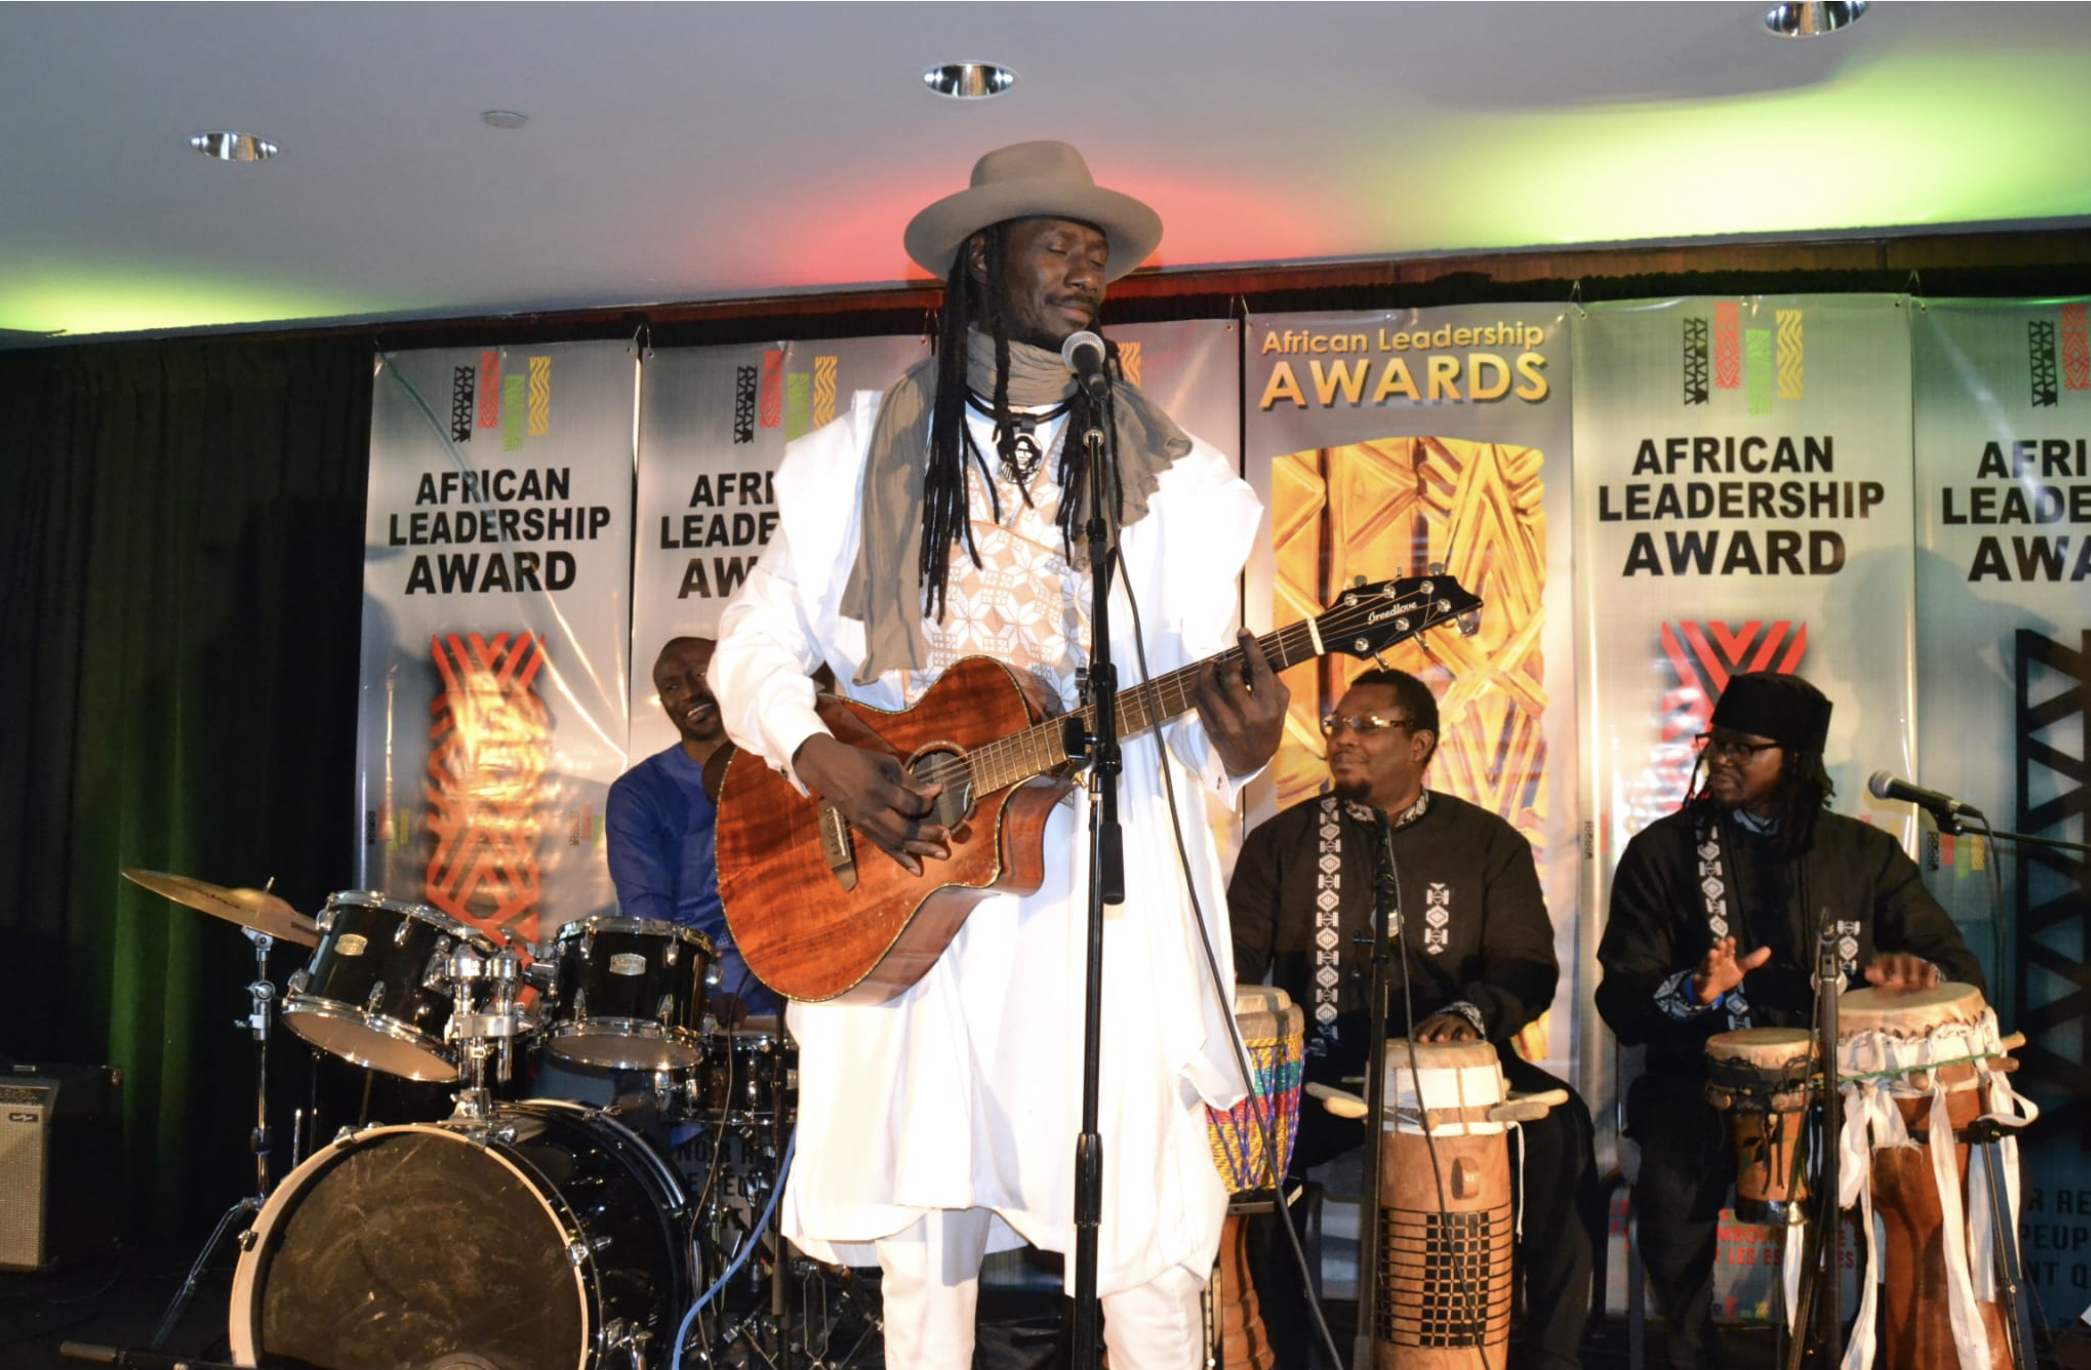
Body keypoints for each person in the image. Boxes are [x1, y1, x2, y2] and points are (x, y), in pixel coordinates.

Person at [709, 140, 1288, 1370]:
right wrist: (821, 755)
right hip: (906, 866)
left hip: (1098, 894)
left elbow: (1209, 702)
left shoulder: (1177, 487)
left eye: (1100, 252)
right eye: (1057, 242)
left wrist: (1245, 750)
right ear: (981, 260)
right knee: (927, 1240)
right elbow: (749, 642)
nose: (1089, 266)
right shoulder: (859, 459)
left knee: (1137, 1224)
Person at [1596, 670, 1985, 1369]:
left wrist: (1909, 973)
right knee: (1670, 1190)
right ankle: (1690, 1351)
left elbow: (1956, 970)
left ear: (1797, 762)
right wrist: (1691, 990)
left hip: (1844, 1092)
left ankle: (1872, 1345)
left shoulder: (1861, 855)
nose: (1722, 759)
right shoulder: (1662, 853)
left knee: (1899, 1173)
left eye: (1746, 747)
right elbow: (1619, 1000)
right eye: (1718, 742)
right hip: (1699, 1083)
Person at [1230, 668, 1602, 1370]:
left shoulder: (1485, 843)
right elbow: (1235, 959)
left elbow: (1526, 966)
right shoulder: (1280, 843)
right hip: (1321, 1072)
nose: (1342, 739)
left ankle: (1552, 1356)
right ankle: (1286, 1352)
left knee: (1562, 1133)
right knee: (1255, 1154)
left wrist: (1471, 1014)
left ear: (1419, 743)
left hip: (1455, 1073)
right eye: (1336, 724)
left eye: (1366, 726)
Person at [606, 634, 777, 1017]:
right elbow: (649, 915)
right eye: (672, 687)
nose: (690, 692)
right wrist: (692, 994)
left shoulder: (788, 760)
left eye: (702, 673)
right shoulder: (638, 792)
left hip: (797, 978)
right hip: (708, 997)